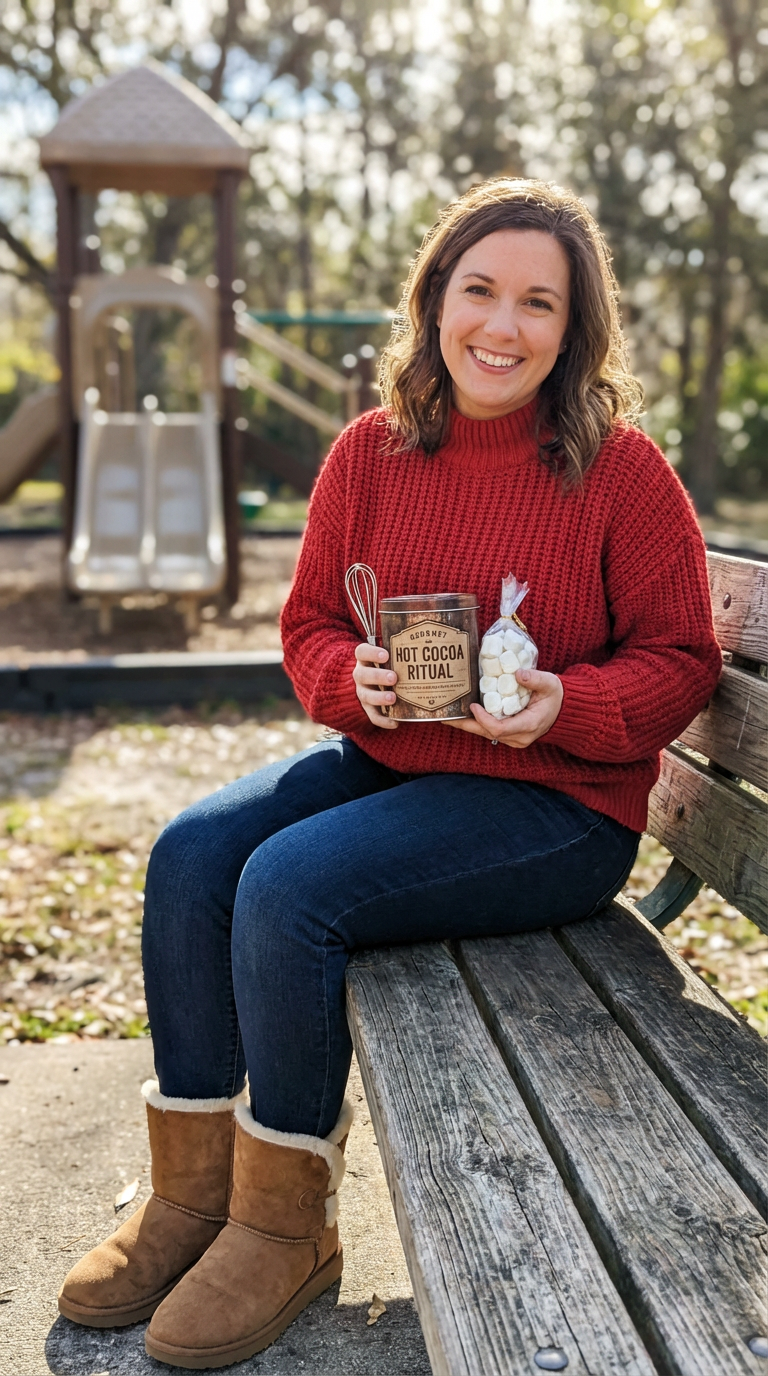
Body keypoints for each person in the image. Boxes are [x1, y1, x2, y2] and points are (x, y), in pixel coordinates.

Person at [58, 178, 721, 1368]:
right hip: (393, 757)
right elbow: (311, 622)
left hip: (558, 804)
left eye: (538, 302)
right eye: (480, 290)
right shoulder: (370, 451)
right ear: (436, 299)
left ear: (573, 331)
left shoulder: (619, 471)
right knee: (192, 855)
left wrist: (571, 702)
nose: (503, 326)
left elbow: (682, 658)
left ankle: (284, 1221)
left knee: (291, 885)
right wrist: (344, 680)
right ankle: (193, 1194)